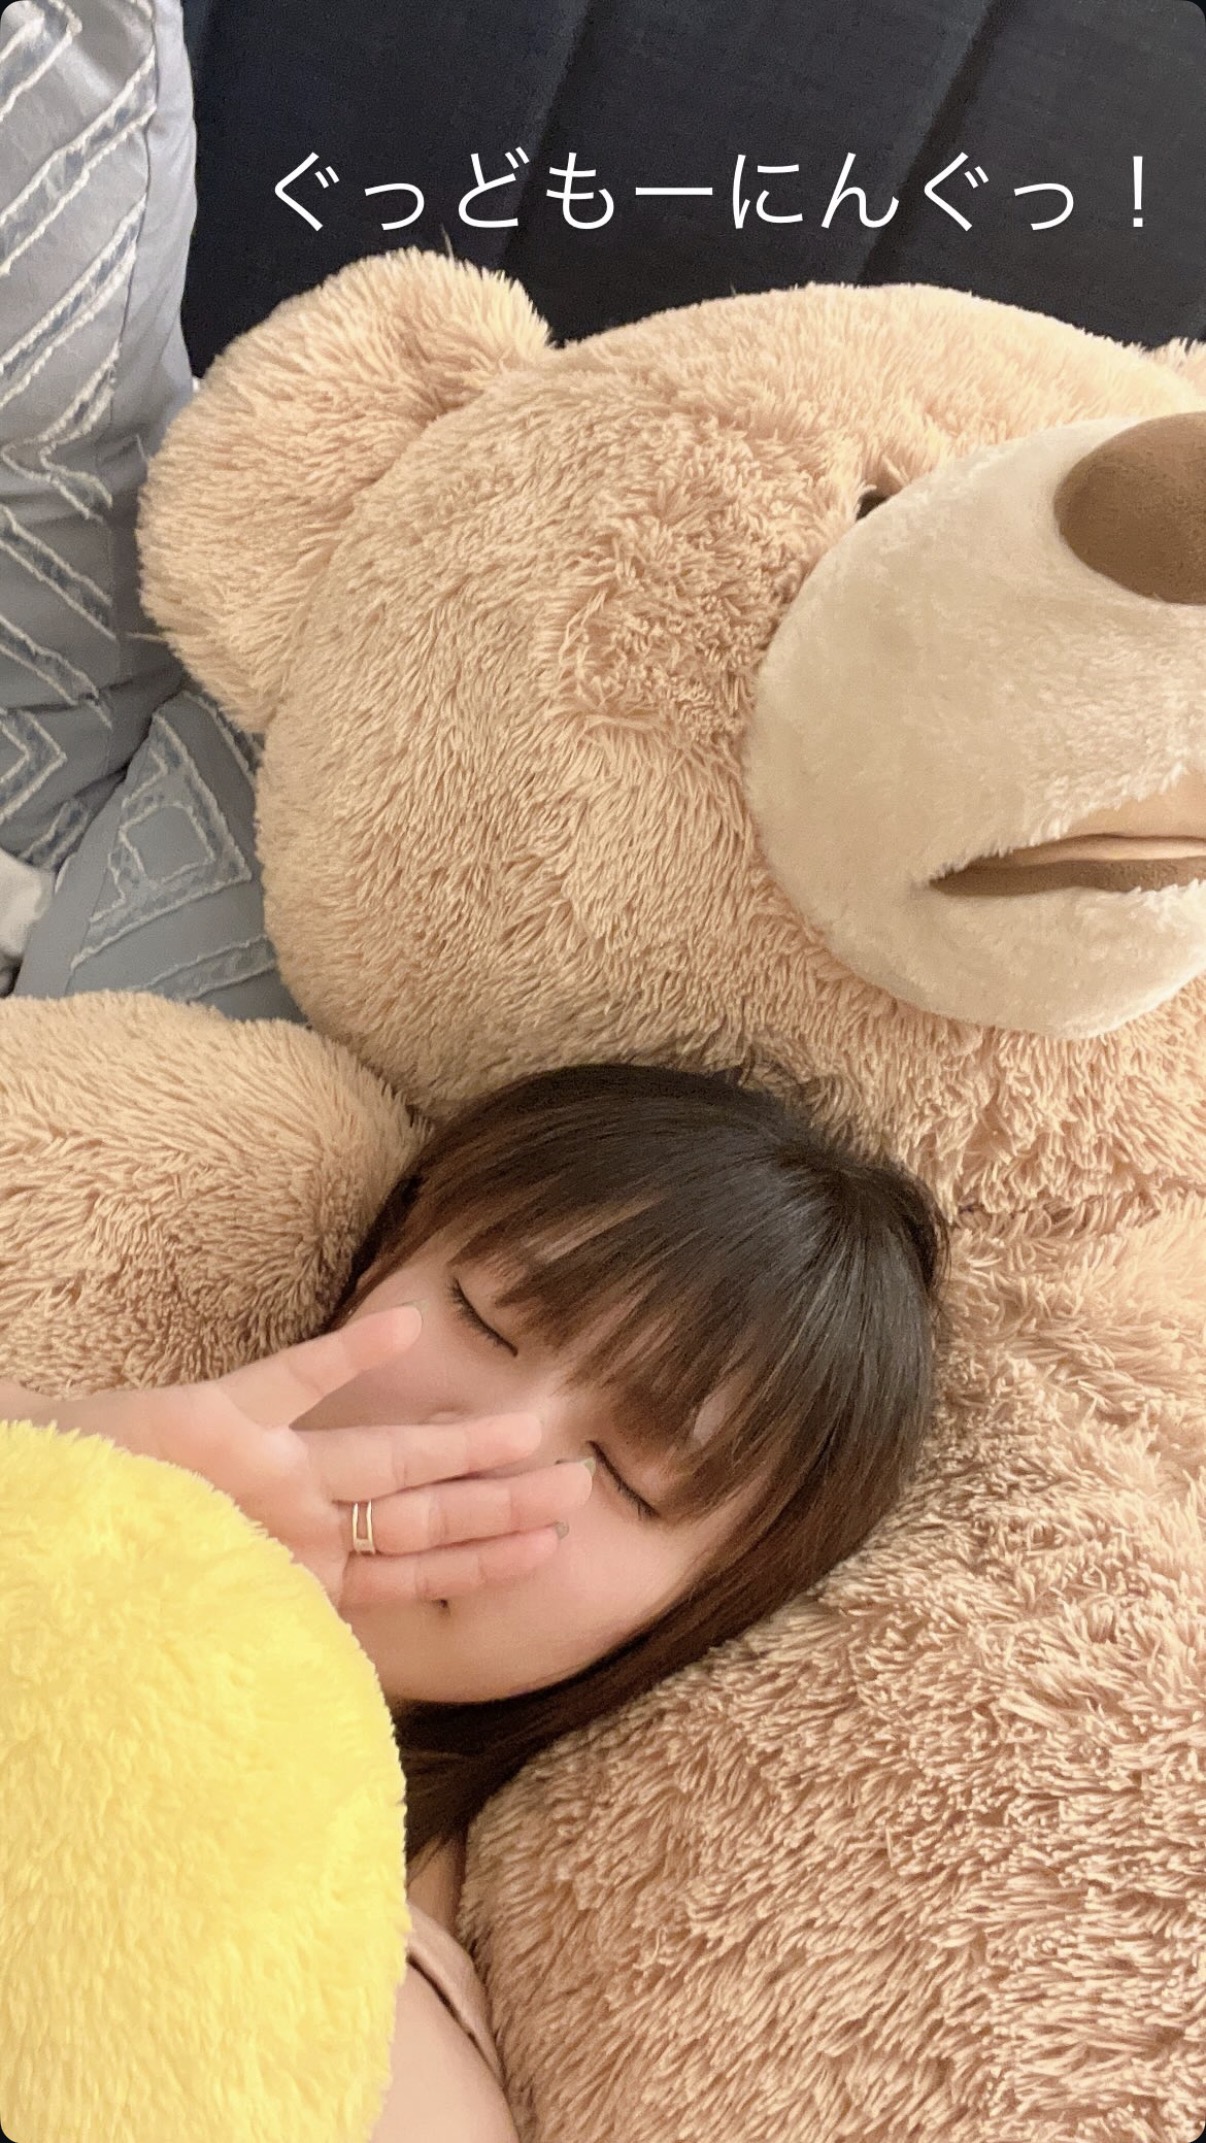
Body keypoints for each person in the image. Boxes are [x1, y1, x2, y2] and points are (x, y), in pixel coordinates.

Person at [0, 1059, 950, 2140]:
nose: (486, 1447)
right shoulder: (43, 1444)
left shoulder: (378, 2038)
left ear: (683, 1619)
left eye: (626, 1475)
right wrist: (61, 1473)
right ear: (384, 1260)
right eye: (484, 1316)